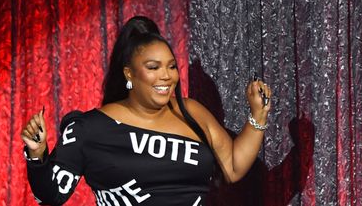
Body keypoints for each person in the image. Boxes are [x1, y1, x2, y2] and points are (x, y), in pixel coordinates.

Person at [21, 16, 272, 206]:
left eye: (171, 66)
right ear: (129, 73)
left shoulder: (192, 112)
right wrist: (37, 154)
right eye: (153, 67)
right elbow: (51, 195)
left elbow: (232, 167)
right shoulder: (89, 128)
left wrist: (258, 116)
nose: (165, 75)